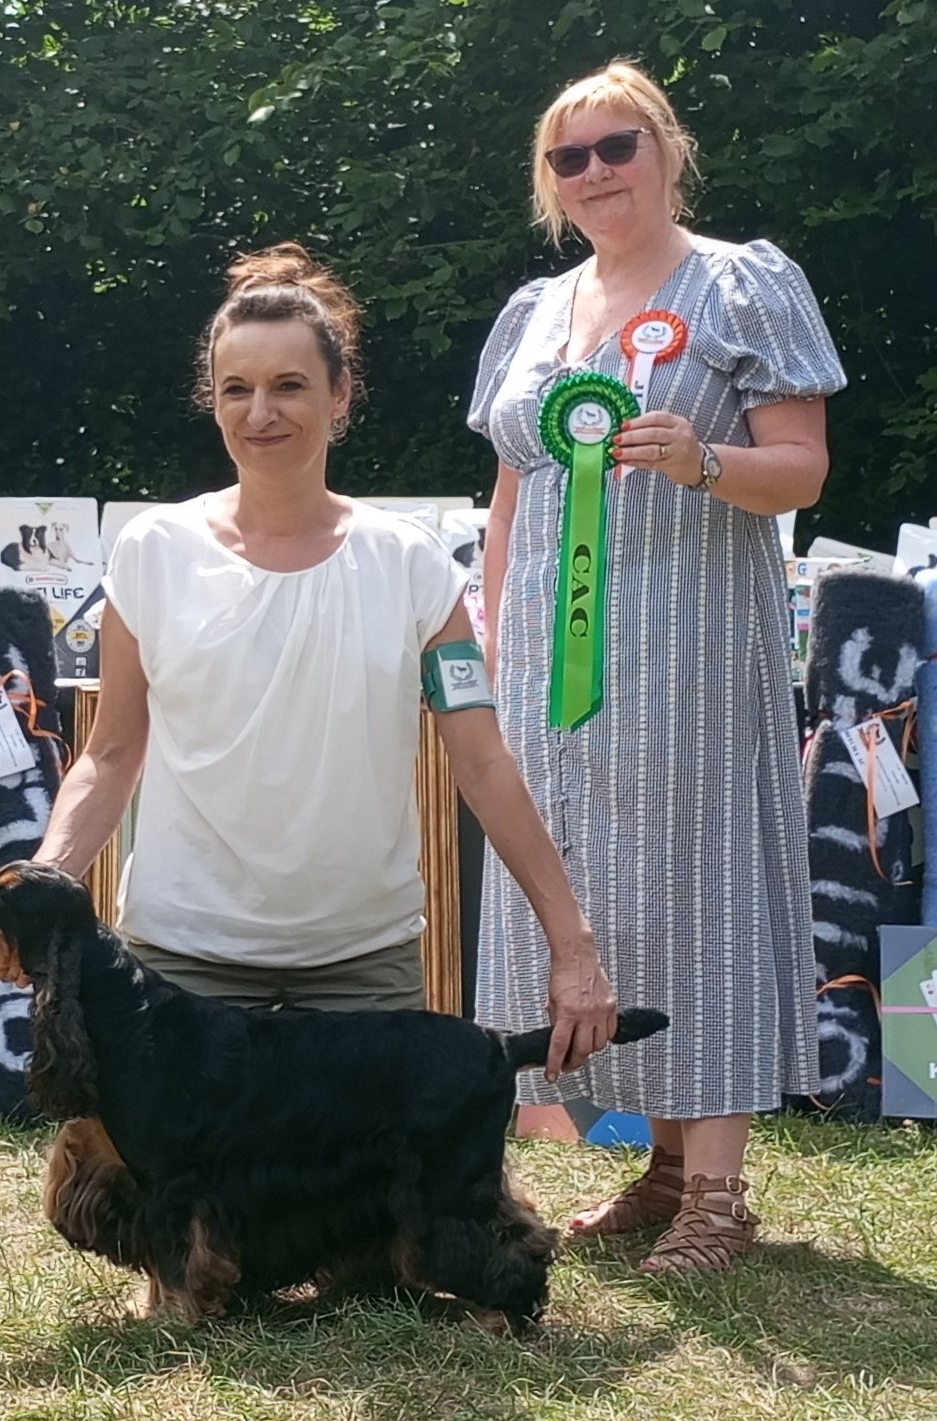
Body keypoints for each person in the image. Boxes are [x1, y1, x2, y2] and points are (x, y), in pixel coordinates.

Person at [34, 242, 615, 1079]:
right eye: (237, 388)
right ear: (212, 400)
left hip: (362, 967)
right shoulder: (151, 551)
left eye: (289, 385)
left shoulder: (410, 565)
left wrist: (573, 940)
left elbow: (483, 762)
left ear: (339, 395)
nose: (260, 412)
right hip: (182, 964)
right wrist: (45, 883)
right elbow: (112, 752)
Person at [469, 62, 845, 1273]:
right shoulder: (536, 311)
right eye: (568, 158)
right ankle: (667, 1166)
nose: (594, 173)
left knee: (699, 884)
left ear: (667, 149)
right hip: (550, 663)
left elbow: (804, 467)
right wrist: (493, 634)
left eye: (616, 146)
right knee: (595, 891)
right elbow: (513, 491)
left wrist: (702, 461)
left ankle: (720, 1197)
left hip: (688, 652)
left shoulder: (741, 283)